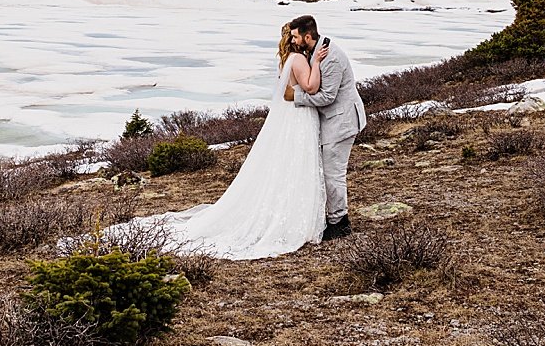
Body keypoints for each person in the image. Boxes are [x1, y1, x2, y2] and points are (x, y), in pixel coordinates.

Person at [130, 18, 333, 259]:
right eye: (294, 36)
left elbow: (290, 90)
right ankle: (295, 216)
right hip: (299, 117)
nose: (295, 39)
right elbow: (310, 87)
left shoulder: (285, 60)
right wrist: (317, 62)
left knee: (286, 162)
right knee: (297, 162)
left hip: (291, 115)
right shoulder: (299, 59)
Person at [286, 14, 368, 241]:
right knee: (331, 172)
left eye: (295, 37)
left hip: (342, 121)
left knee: (334, 173)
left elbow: (327, 97)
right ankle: (336, 218)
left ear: (308, 36)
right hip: (334, 120)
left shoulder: (330, 57)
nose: (293, 41)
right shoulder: (316, 52)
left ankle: (339, 223)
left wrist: (296, 96)